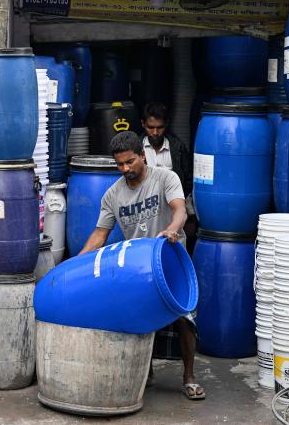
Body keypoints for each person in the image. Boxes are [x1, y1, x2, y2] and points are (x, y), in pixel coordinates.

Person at [79, 130, 205, 401]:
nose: (125, 169)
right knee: (139, 319)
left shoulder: (165, 178)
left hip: (171, 260)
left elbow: (180, 209)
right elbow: (100, 234)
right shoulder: (112, 195)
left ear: (143, 155)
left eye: (130, 162)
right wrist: (77, 263)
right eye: (120, 164)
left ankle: (189, 377)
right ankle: (145, 373)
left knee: (184, 319)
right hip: (136, 268)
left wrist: (172, 230)